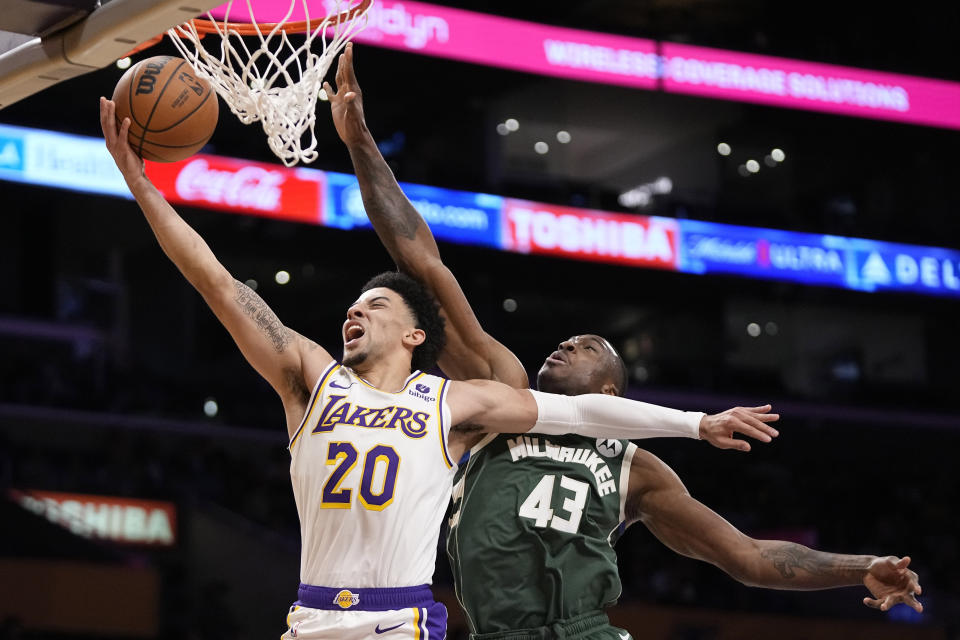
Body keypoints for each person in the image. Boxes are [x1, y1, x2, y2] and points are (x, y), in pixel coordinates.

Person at [99, 95, 778, 640]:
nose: (354, 313)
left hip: (400, 620)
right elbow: (216, 281)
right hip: (309, 618)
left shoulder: (451, 404)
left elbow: (585, 411)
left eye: (376, 303)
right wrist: (140, 183)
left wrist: (696, 423)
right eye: (352, 306)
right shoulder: (310, 377)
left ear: (415, 333)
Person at [324, 43, 923, 640]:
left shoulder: (640, 471)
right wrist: (359, 142)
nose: (563, 346)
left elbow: (749, 558)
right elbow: (420, 261)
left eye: (585, 345)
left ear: (611, 388)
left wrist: (860, 566)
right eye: (565, 339)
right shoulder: (500, 393)